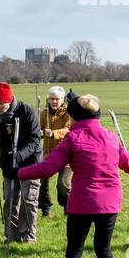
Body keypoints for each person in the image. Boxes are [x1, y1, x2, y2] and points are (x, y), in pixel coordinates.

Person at [17, 94, 129, 258]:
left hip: (82, 203)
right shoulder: (111, 137)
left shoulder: (72, 139)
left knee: (74, 251)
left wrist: (20, 173)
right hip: (109, 203)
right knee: (104, 249)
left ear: (74, 116)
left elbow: (48, 168)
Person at [0, 82, 42, 243]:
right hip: (8, 163)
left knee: (28, 200)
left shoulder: (27, 112)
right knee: (10, 199)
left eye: (0, 103)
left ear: (9, 101)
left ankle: (28, 235)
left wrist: (20, 156)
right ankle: (11, 234)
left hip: (30, 162)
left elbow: (35, 139)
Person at [38, 86, 73, 218]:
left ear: (62, 99)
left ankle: (67, 208)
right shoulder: (44, 113)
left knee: (63, 185)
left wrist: (53, 133)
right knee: (41, 183)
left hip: (66, 156)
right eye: (52, 99)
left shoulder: (68, 113)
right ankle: (45, 208)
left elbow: (68, 130)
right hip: (48, 154)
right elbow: (38, 128)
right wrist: (40, 133)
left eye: (57, 99)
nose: (54, 101)